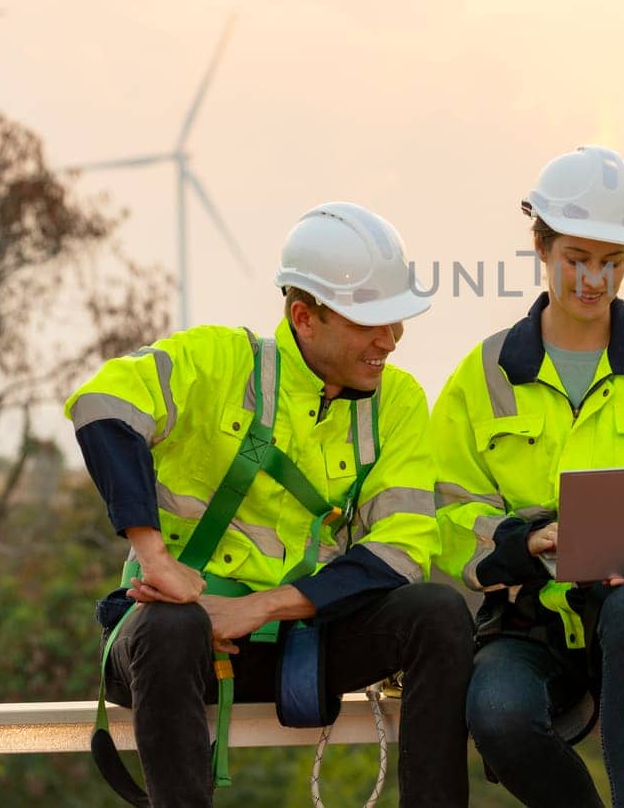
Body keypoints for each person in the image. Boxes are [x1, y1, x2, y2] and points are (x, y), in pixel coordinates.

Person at [66, 202, 471, 808]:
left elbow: (404, 547)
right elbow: (100, 406)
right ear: (304, 316)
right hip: (173, 646)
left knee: (437, 613)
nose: (390, 341)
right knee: (172, 626)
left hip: (302, 639)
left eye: (397, 321)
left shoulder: (402, 401)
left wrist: (259, 608)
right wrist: (154, 560)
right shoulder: (220, 360)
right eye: (370, 323)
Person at [430, 145, 624, 808]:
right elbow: (448, 515)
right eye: (577, 259)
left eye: (613, 263)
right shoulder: (477, 379)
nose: (595, 280)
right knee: (499, 714)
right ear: (540, 244)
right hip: (532, 620)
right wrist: (529, 540)